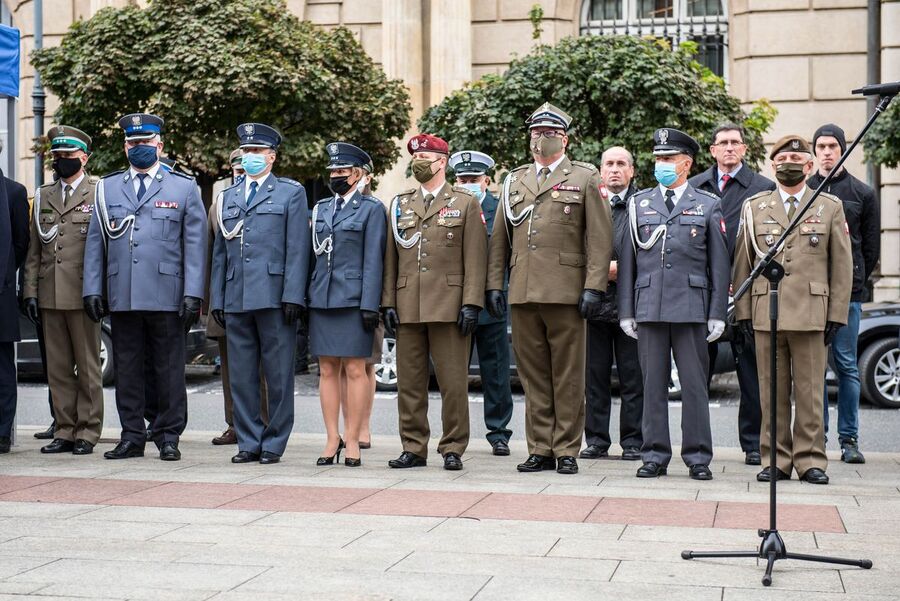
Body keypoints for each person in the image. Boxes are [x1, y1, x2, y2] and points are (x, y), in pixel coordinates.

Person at [486, 103, 613, 475]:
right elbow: (500, 238)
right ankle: (540, 446)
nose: (541, 138)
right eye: (536, 133)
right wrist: (495, 285)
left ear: (565, 138)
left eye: (550, 133)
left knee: (568, 374)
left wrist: (594, 286)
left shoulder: (586, 177)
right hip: (523, 291)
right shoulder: (515, 179)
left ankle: (567, 448)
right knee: (533, 374)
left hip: (566, 291)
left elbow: (599, 239)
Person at [83, 113, 206, 462]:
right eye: (133, 143)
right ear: (125, 147)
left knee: (168, 369)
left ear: (159, 145)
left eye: (146, 143)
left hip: (168, 293)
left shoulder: (183, 187)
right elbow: (97, 242)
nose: (140, 148)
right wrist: (93, 288)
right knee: (128, 369)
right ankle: (132, 435)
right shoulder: (107, 187)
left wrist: (193, 293)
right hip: (123, 293)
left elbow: (194, 246)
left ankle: (168, 435)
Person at [733, 135, 853, 485]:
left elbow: (842, 266)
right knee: (770, 392)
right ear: (772, 166)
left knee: (811, 393)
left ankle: (811, 459)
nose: (789, 163)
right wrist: (741, 314)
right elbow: (743, 262)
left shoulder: (828, 206)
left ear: (810, 166)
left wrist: (837, 314)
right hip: (765, 311)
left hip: (812, 312)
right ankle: (776, 459)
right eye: (783, 158)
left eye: (796, 158)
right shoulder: (754, 206)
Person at [618, 128, 730, 481]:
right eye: (658, 159)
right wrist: (626, 311)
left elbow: (719, 264)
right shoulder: (639, 203)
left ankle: (697, 456)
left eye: (668, 159)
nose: (661, 165)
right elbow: (628, 262)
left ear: (686, 163)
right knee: (651, 384)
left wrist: (717, 313)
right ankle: (653, 454)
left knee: (695, 385)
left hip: (692, 306)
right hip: (649, 303)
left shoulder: (708, 204)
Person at [381, 133, 487, 471]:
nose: (419, 162)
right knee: (410, 383)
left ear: (443, 162)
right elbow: (390, 258)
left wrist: (472, 302)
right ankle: (413, 446)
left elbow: (475, 258)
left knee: (453, 383)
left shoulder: (465, 202)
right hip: (408, 301)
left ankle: (453, 446)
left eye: (426, 156)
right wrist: (388, 302)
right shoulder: (400, 203)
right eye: (416, 157)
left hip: (450, 304)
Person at [210, 123, 310, 465]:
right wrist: (217, 299)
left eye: (256, 152)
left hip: (274, 295)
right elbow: (220, 252)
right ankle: (249, 440)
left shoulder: (290, 193)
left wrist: (294, 295)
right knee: (240, 374)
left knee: (278, 374)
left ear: (272, 157)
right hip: (236, 295)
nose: (250, 157)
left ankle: (274, 441)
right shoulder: (229, 195)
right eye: (246, 152)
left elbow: (297, 248)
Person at [689, 123, 776, 466]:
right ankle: (697, 446)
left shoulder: (762, 188)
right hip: (702, 292)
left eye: (735, 142)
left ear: (744, 148)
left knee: (751, 371)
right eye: (722, 143)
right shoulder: (695, 186)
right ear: (712, 150)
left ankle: (753, 443)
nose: (729, 148)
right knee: (698, 371)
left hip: (746, 291)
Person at [22, 125, 104, 455]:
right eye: (57, 157)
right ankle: (65, 428)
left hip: (83, 292)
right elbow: (34, 249)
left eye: (68, 156)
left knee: (87, 366)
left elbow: (102, 249)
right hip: (49, 292)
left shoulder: (98, 192)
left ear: (84, 158)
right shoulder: (43, 195)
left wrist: (100, 291)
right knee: (56, 368)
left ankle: (88, 430)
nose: (61, 162)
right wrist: (29, 291)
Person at [308, 142, 386, 467]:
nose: (336, 176)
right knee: (327, 369)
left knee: (355, 369)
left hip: (354, 301)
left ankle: (352, 438)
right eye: (333, 172)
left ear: (358, 174)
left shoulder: (371, 209)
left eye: (342, 171)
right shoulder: (321, 208)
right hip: (322, 298)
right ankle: (331, 438)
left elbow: (374, 261)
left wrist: (371, 304)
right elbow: (311, 257)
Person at [808, 123, 880, 465]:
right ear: (814, 151)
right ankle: (815, 437)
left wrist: (855, 285)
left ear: (842, 149)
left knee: (847, 365)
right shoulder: (805, 190)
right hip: (809, 294)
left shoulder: (862, 193)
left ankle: (848, 439)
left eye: (832, 146)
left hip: (847, 294)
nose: (826, 152)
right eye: (820, 146)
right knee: (813, 369)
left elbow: (870, 248)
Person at [449, 150, 514, 457]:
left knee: (497, 371)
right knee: (454, 372)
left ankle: (499, 433)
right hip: (455, 303)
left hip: (491, 304)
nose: (467, 184)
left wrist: (498, 289)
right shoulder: (447, 208)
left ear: (487, 181)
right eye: (462, 179)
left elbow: (506, 255)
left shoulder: (500, 209)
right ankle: (455, 433)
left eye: (473, 179)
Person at [581, 146, 643, 461]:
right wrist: (595, 272)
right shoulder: (590, 202)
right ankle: (596, 440)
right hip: (594, 305)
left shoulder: (643, 205)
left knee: (634, 378)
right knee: (594, 378)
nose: (615, 169)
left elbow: (653, 249)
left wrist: (622, 269)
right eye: (609, 164)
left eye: (621, 164)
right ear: (600, 170)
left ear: (631, 171)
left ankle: (633, 441)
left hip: (631, 305)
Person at [208, 148, 269, 446]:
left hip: (261, 296)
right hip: (228, 297)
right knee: (232, 369)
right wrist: (211, 302)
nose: (241, 174)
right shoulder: (220, 204)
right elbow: (212, 256)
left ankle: (264, 422)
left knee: (262, 368)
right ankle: (235, 423)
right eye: (237, 170)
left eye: (245, 169)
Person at [0, 160, 29, 455]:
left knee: (2, 370)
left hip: (1, 294)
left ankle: (2, 434)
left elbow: (22, 243)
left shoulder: (13, 192)